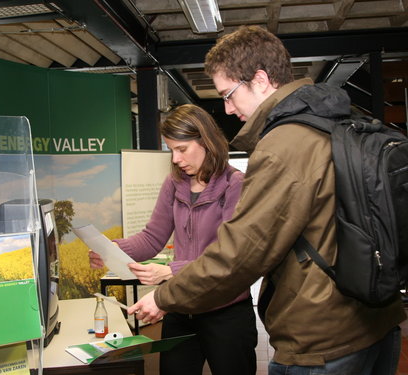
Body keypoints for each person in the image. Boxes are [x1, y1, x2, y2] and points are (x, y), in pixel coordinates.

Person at [128, 26, 407, 374]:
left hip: (321, 341)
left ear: (260, 79)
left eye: (229, 94)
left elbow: (239, 254)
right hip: (377, 317)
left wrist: (164, 295)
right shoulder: (340, 118)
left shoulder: (283, 145)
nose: (227, 109)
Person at [90, 104, 258, 375]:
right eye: (171, 150)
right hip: (180, 308)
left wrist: (170, 271)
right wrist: (113, 249)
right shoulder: (174, 183)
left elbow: (229, 255)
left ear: (206, 141)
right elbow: (152, 237)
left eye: (182, 149)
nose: (176, 159)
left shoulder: (235, 184)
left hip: (225, 313)